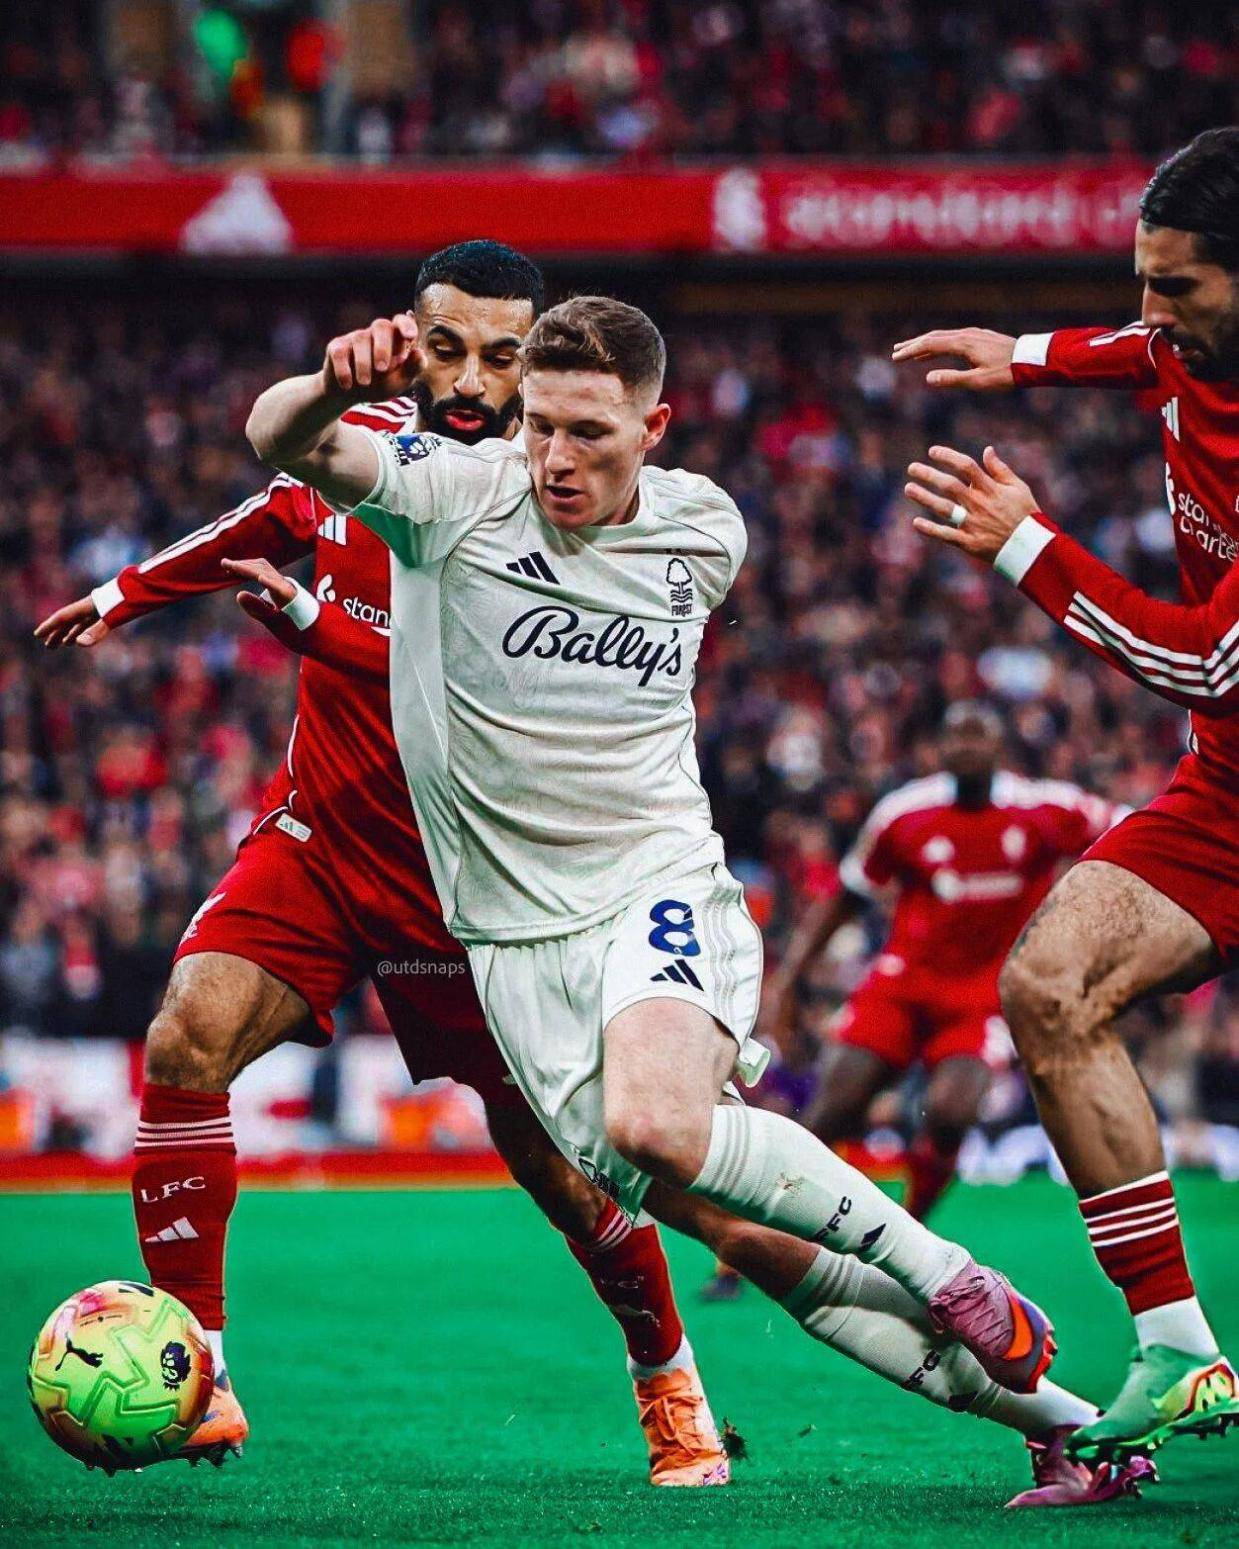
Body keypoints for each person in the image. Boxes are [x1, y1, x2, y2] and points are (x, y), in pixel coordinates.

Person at [246, 294, 1068, 1421]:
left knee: (653, 1124)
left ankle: (946, 1268)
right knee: (735, 1223)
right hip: (510, 935)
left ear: (655, 427)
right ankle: (1063, 1425)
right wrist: (331, 389)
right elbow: (278, 438)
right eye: (539, 425)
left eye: (589, 431)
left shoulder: (706, 529)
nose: (555, 458)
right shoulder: (454, 495)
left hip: (653, 877)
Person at [35, 243, 730, 1487]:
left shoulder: (542, 507)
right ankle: (198, 1365)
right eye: (445, 347)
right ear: (408, 340)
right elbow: (270, 510)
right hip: (323, 841)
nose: (470, 380)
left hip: (479, 885)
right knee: (187, 1035)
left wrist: (315, 626)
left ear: (536, 365)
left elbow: (469, 677)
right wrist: (127, 590)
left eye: (503, 357)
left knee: (562, 1175)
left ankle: (667, 1372)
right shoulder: (360, 451)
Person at [896, 127, 1239, 1461]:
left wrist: (1027, 546)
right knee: (1047, 984)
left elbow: (1205, 663)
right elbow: (1140, 350)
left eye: (1177, 287)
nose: (1150, 312)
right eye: (1140, 278)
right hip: (1224, 796)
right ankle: (1179, 1349)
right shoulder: (1183, 347)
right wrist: (1028, 354)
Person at [762, 701, 1123, 1222]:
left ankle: (908, 1229)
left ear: (999, 747)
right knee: (832, 1111)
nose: (966, 746)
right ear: (940, 748)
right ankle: (761, 1238)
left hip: (982, 997)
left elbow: (1130, 829)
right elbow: (849, 895)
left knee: (953, 1114)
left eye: (978, 735)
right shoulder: (904, 813)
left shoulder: (1045, 809)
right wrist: (791, 978)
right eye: (956, 736)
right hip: (901, 985)